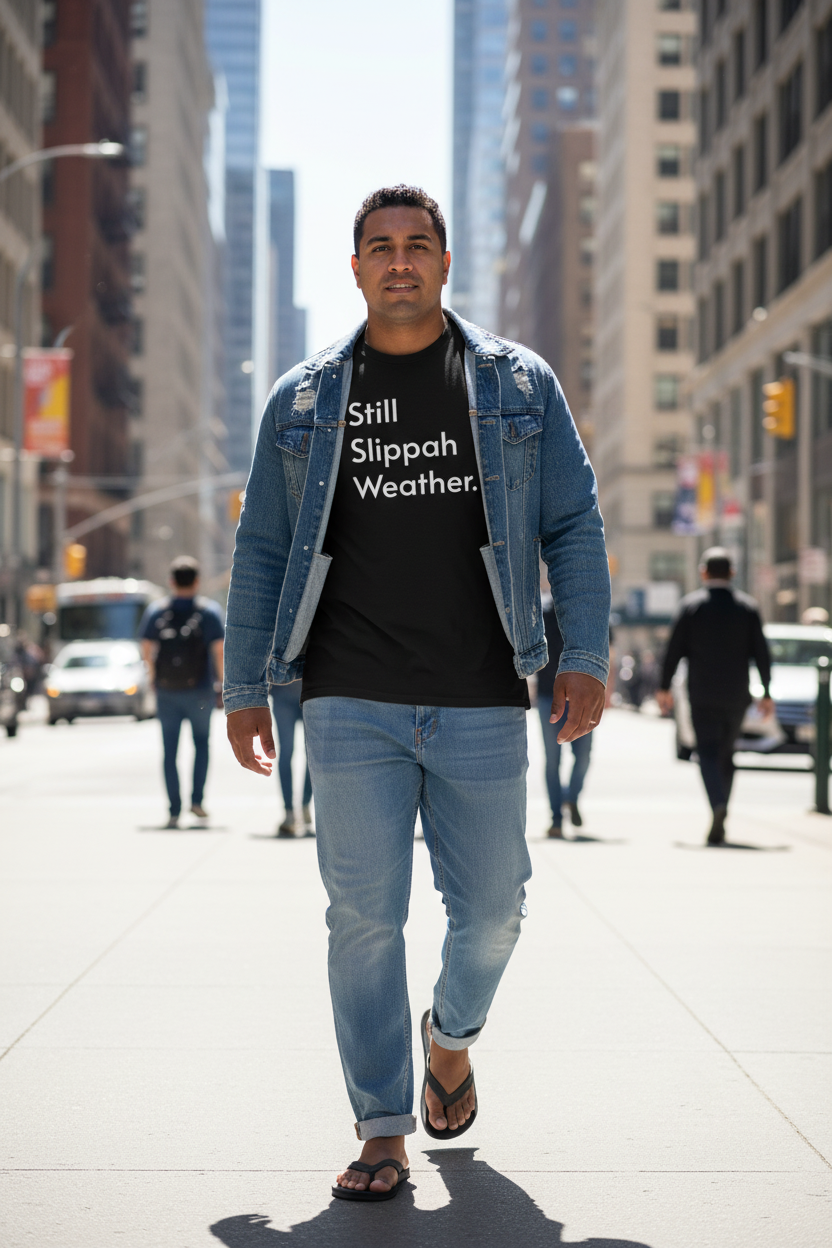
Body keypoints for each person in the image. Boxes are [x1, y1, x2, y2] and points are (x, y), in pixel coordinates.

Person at [223, 185, 610, 1201]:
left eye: (417, 246)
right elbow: (263, 549)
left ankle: (453, 1037)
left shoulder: (516, 385)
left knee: (493, 910)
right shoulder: (303, 401)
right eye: (379, 248)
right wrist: (245, 686)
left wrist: (586, 652)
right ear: (354, 269)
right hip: (346, 695)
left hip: (482, 689)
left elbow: (572, 523)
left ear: (444, 263)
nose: (399, 262)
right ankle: (383, 1127)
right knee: (362, 916)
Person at [657, 547, 772, 846]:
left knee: (706, 753)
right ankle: (722, 808)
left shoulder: (691, 606)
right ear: (732, 573)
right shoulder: (747, 607)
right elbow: (762, 652)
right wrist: (767, 692)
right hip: (736, 695)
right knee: (726, 754)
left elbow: (672, 651)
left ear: (703, 572)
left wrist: (664, 688)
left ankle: (718, 805)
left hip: (702, 693)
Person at [140, 556, 225, 829]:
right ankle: (197, 801)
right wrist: (221, 683)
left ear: (171, 581)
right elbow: (218, 651)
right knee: (202, 745)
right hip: (200, 690)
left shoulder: (157, 611)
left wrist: (153, 678)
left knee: (169, 751)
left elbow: (146, 648)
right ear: (197, 582)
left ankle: (174, 809)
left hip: (167, 691)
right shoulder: (209, 612)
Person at [536, 595, 594, 837]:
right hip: (548, 696)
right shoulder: (541, 611)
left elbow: (604, 648)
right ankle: (556, 818)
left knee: (582, 757)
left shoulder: (586, 608)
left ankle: (571, 798)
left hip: (581, 696)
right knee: (553, 761)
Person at [270, 681, 313, 836]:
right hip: (283, 694)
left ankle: (304, 805)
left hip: (310, 692)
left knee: (311, 754)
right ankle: (289, 810)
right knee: (286, 752)